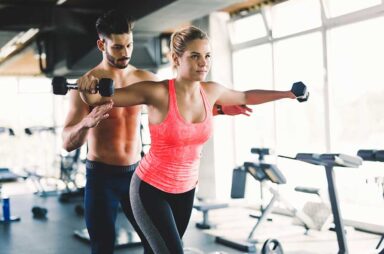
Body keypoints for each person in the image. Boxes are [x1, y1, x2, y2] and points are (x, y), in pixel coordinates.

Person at [79, 25, 307, 254]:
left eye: (207, 56)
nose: (203, 63)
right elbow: (102, 98)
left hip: (186, 191)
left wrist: (288, 94)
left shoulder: (211, 92)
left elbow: (246, 96)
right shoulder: (157, 92)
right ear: (176, 59)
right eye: (195, 56)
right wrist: (86, 88)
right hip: (149, 190)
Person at [63, 10, 252, 254]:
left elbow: (176, 114)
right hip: (101, 178)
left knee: (156, 245)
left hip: (138, 174)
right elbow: (67, 142)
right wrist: (86, 123)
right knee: (102, 247)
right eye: (118, 47)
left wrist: (223, 111)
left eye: (129, 44)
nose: (126, 52)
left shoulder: (146, 79)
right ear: (102, 44)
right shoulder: (86, 86)